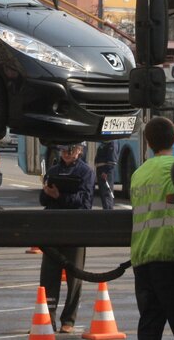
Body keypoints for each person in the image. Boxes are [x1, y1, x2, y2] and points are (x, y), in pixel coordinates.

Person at [130, 116, 174, 340]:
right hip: (170, 256)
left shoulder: (138, 174)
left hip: (142, 258)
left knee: (150, 323)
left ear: (148, 143)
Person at [39, 142, 94, 334]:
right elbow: (42, 200)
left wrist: (59, 195)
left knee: (75, 277)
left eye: (71, 150)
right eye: (64, 150)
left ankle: (69, 319)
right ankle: (47, 318)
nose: (67, 153)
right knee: (48, 277)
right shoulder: (53, 170)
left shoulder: (85, 172)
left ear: (80, 150)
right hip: (53, 229)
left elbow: (85, 203)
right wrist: (47, 193)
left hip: (75, 230)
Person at [93, 140, 118, 210]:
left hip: (105, 170)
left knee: (107, 192)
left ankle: (109, 212)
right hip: (101, 169)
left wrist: (106, 171)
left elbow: (112, 159)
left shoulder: (112, 142)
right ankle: (106, 210)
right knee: (103, 193)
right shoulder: (105, 142)